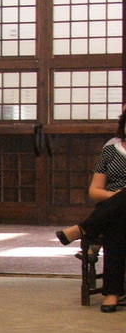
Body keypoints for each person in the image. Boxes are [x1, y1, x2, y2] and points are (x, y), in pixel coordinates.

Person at [56, 110, 126, 312]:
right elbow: (94, 191)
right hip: (113, 210)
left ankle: (82, 229)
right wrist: (117, 196)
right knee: (117, 223)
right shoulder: (110, 151)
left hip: (108, 211)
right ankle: (113, 292)